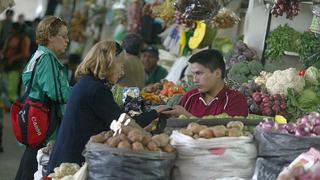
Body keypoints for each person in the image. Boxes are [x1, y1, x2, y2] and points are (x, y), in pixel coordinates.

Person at [47, 40, 169, 173]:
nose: (122, 71)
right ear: (109, 63)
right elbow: (125, 123)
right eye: (120, 64)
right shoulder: (96, 90)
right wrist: (155, 112)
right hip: (70, 164)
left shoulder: (88, 82)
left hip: (67, 159)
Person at [15, 16, 70, 180]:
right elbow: (57, 93)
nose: (67, 40)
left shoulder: (38, 55)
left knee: (29, 162)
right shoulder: (48, 59)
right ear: (50, 36)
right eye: (63, 35)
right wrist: (78, 92)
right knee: (35, 165)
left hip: (34, 118)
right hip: (45, 122)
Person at [163, 49, 248, 118]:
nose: (194, 79)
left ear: (217, 73)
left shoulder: (235, 100)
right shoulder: (190, 97)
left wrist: (187, 116)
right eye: (193, 74)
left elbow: (227, 132)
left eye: (199, 73)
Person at [1, 22, 30, 101]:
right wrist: (3, 53)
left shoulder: (24, 38)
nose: (12, 31)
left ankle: (12, 104)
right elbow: (5, 48)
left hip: (17, 66)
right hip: (7, 63)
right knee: (5, 84)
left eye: (13, 30)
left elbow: (25, 54)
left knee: (12, 86)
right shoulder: (11, 37)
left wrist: (13, 58)